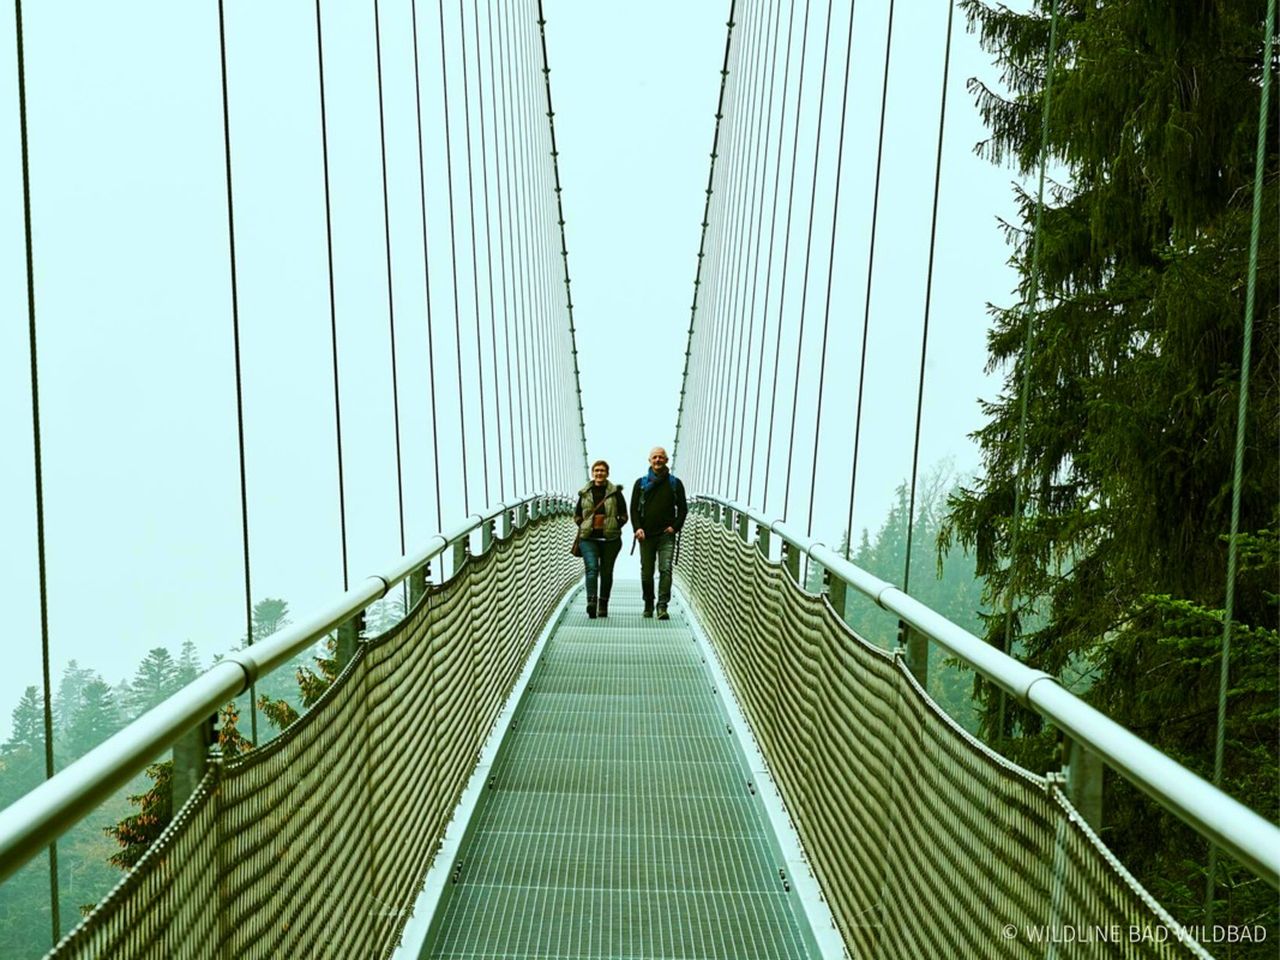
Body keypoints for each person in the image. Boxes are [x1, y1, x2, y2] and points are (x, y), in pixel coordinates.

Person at [630, 446, 687, 620]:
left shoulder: (675, 483)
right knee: (647, 573)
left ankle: (662, 606)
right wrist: (637, 528)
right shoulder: (640, 484)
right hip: (646, 535)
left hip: (666, 535)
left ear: (666, 460)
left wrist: (674, 527)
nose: (658, 460)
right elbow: (633, 509)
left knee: (665, 569)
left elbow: (683, 509)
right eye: (654, 457)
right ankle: (648, 603)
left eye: (661, 457)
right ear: (649, 460)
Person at [574, 459, 628, 619]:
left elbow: (624, 515)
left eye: (602, 471)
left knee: (606, 572)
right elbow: (577, 514)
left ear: (607, 473)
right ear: (592, 473)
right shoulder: (584, 493)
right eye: (596, 470)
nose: (599, 473)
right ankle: (592, 602)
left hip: (610, 539)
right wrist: (582, 525)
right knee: (592, 569)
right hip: (588, 538)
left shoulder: (615, 493)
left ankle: (603, 605)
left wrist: (615, 524)